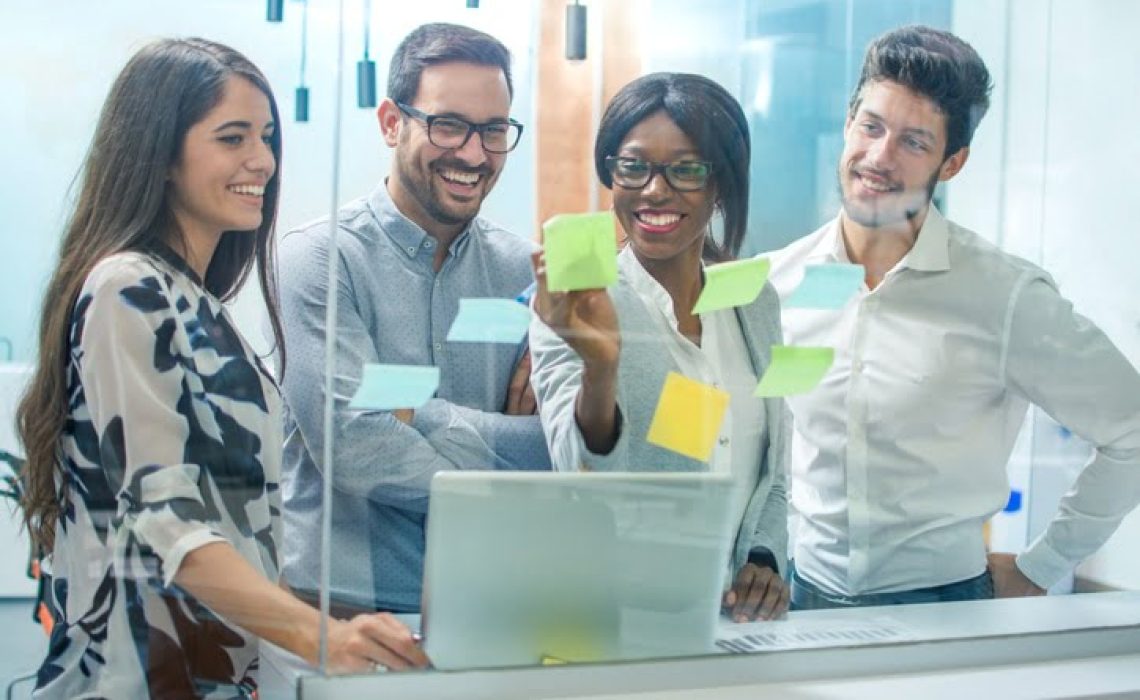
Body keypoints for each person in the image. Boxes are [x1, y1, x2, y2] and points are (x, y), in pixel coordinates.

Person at [15, 38, 427, 698]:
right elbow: (166, 520)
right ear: (162, 156)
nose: (261, 160)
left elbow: (243, 531)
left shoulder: (197, 302)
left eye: (265, 137)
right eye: (232, 138)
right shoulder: (129, 287)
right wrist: (320, 635)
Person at [767, 25, 1140, 609]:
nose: (879, 157)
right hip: (796, 596)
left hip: (947, 605)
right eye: (871, 126)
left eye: (914, 142)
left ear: (953, 162)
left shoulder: (1004, 295)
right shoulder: (777, 283)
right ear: (848, 124)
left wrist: (1043, 564)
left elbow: (1132, 429)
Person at [276, 23, 550, 619]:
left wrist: (420, 417)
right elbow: (355, 446)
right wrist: (505, 472)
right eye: (448, 125)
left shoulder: (525, 274)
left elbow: (560, 446)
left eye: (494, 131)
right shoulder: (321, 258)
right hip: (338, 614)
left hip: (487, 604)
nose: (474, 154)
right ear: (391, 123)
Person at [529, 73, 790, 623]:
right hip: (616, 621)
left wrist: (764, 557)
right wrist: (601, 365)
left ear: (721, 185)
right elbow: (580, 477)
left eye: (687, 169)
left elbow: (775, 465)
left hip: (738, 627)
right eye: (633, 166)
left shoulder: (755, 303)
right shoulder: (576, 302)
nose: (654, 189)